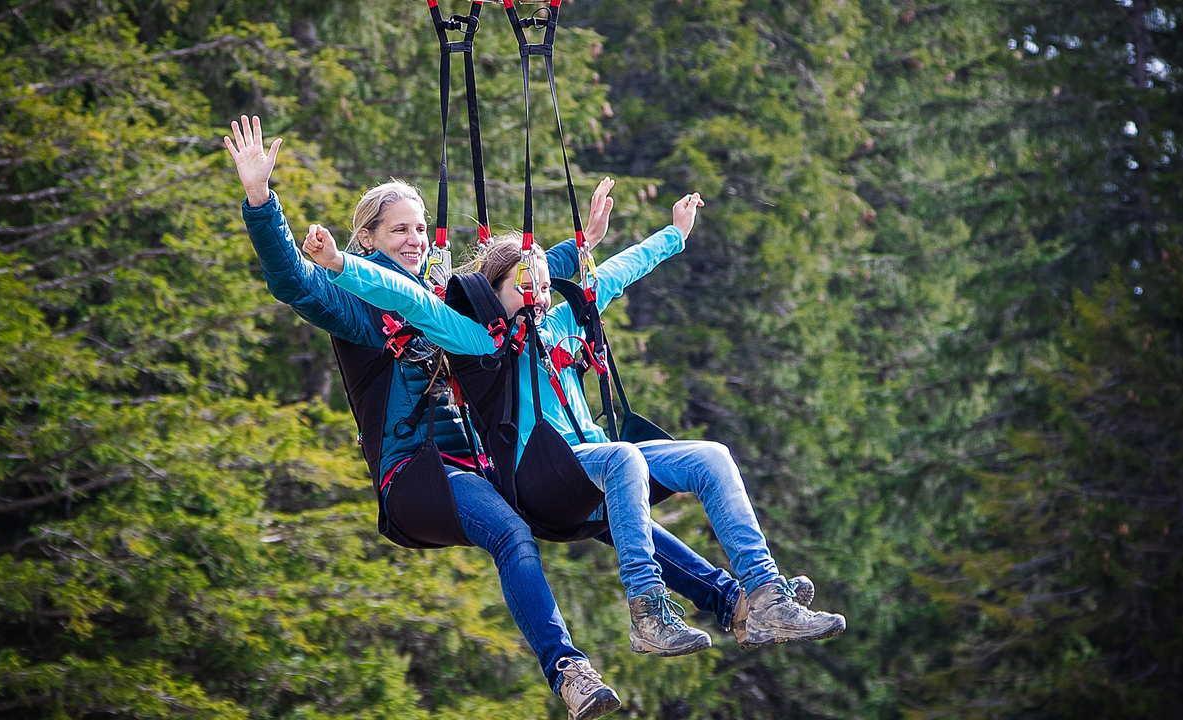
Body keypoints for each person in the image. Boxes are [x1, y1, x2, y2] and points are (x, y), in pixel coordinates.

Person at [225, 115, 794, 720]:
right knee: (513, 534)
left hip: (486, 463)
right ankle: (570, 671)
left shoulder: (451, 296)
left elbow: (519, 279)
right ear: (367, 240)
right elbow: (292, 279)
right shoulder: (358, 304)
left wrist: (583, 246)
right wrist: (262, 199)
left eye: (420, 228)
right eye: (399, 231)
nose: (415, 239)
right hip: (418, 472)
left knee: (605, 501)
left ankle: (734, 600)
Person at [302, 183, 847, 656]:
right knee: (624, 457)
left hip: (591, 460)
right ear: (495, 293)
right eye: (523, 283)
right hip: (543, 473)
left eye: (541, 281)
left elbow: (611, 274)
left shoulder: (562, 320)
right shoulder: (478, 342)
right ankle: (648, 607)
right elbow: (408, 299)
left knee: (711, 457)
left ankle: (766, 592)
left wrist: (674, 235)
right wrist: (340, 266)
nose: (537, 292)